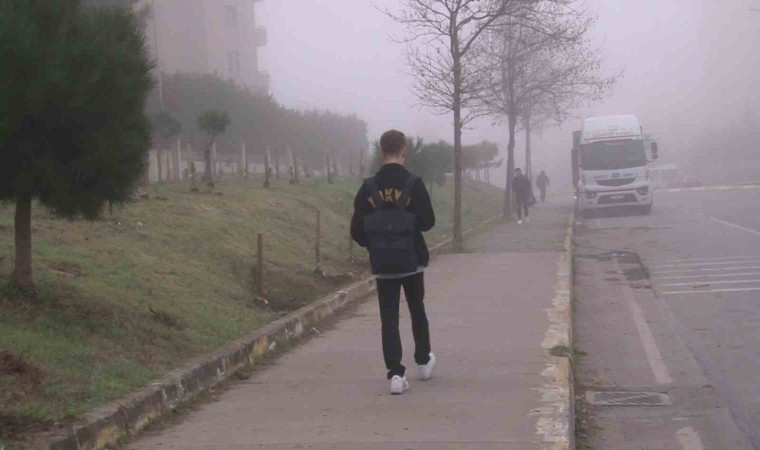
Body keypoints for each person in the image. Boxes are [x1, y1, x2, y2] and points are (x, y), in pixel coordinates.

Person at [350, 129, 436, 395]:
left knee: (389, 318)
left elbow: (357, 231)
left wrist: (377, 243)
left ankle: (396, 374)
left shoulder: (368, 187)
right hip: (412, 261)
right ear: (404, 151)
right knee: (417, 309)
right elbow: (428, 222)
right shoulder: (414, 183)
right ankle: (423, 361)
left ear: (381, 152)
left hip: (383, 264)